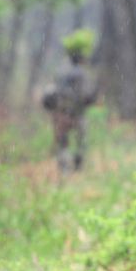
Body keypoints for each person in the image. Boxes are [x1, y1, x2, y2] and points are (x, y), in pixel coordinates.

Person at [43, 29, 98, 173]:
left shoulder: (61, 71)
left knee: (63, 142)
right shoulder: (82, 73)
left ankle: (65, 170)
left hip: (61, 113)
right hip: (77, 113)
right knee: (81, 141)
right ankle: (77, 166)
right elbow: (89, 95)